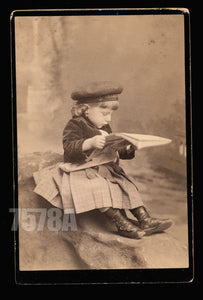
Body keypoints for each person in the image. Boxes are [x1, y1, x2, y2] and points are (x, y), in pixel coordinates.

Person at [34, 81, 173, 239]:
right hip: (83, 169)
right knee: (98, 188)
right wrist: (89, 143)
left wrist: (127, 148)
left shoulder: (104, 127)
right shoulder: (75, 125)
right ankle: (120, 222)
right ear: (86, 110)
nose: (109, 119)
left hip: (105, 168)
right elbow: (69, 149)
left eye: (111, 114)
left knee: (126, 185)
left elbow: (112, 148)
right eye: (105, 114)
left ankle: (144, 218)